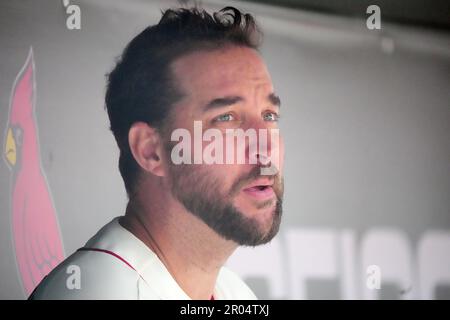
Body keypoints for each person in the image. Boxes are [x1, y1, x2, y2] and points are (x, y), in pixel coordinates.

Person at [30, 5, 284, 300]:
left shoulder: (235, 293)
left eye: (269, 115)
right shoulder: (95, 294)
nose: (266, 146)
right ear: (151, 151)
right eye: (226, 117)